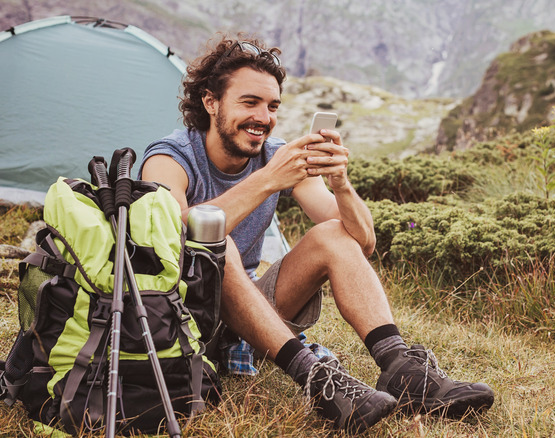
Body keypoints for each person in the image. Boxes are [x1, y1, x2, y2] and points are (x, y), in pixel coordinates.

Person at [138, 34, 494, 433]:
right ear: (210, 102)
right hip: (184, 317)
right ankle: (317, 380)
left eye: (272, 106)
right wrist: (269, 180)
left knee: (331, 234)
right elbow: (169, 231)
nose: (264, 117)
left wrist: (340, 184)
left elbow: (362, 242)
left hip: (247, 316)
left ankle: (403, 370)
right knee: (218, 242)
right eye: (249, 102)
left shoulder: (274, 154)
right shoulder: (170, 157)